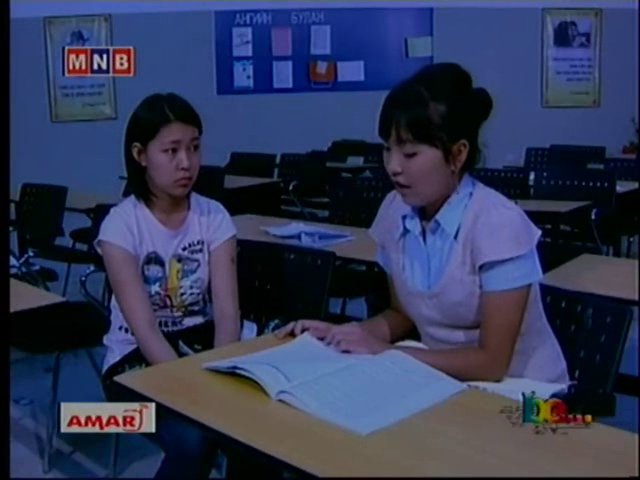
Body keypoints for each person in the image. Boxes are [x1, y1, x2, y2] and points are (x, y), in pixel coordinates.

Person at [277, 63, 569, 385]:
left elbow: (491, 364)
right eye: (387, 149)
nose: (393, 166)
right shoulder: (394, 210)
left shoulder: (498, 223)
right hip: (446, 382)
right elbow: (402, 315)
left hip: (523, 392)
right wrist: (342, 334)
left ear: (457, 155)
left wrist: (386, 352)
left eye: (410, 154)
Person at [95, 92, 241, 479]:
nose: (186, 163)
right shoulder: (121, 225)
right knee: (194, 439)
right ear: (140, 155)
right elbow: (145, 331)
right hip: (133, 364)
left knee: (257, 431)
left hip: (201, 348)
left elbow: (228, 314)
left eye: (194, 147)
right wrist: (196, 391)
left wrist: (221, 379)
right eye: (171, 150)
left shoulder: (214, 216)